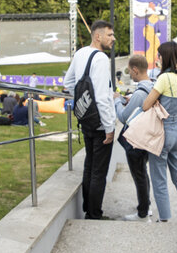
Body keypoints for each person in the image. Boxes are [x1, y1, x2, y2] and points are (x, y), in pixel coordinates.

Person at [63, 20, 117, 220]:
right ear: (98, 36)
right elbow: (103, 97)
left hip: (86, 119)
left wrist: (83, 99)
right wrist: (110, 127)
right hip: (101, 122)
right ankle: (94, 214)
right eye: (109, 35)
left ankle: (88, 208)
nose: (113, 39)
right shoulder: (101, 59)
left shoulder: (80, 54)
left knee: (89, 164)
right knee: (98, 170)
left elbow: (67, 82)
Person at [142, 42, 177, 223]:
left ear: (166, 56)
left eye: (160, 55)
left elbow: (146, 105)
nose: (158, 59)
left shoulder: (164, 78)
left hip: (161, 133)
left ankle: (164, 217)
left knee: (159, 178)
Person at [115, 55, 154, 222]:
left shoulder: (139, 92)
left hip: (135, 141)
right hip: (146, 137)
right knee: (143, 173)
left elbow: (124, 117)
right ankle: (147, 205)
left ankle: (142, 212)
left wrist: (117, 101)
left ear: (135, 70)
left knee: (138, 175)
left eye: (130, 70)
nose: (129, 73)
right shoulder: (152, 86)